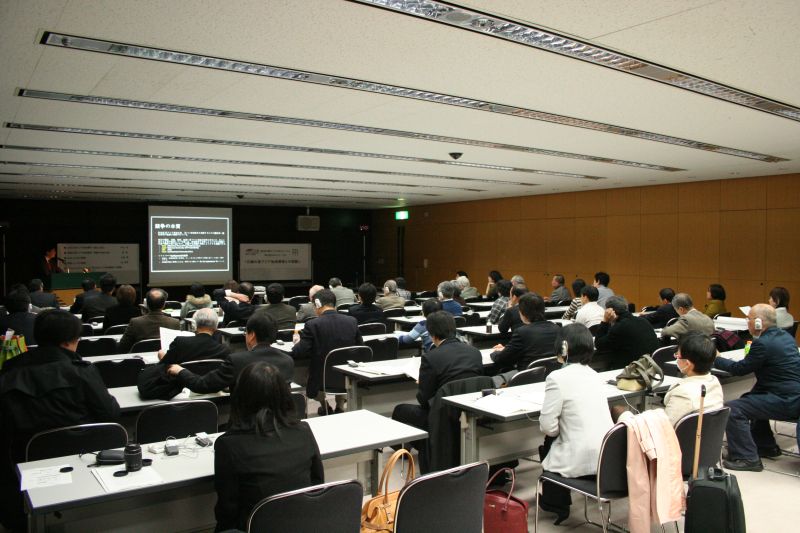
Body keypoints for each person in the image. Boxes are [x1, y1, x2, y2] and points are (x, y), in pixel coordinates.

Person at [0, 310, 119, 531]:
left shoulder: (8, 370)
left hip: (24, 465)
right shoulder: (81, 371)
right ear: (68, 342)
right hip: (82, 460)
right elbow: (110, 414)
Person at [213, 362, 323, 532]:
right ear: (284, 393)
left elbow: (227, 510)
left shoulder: (228, 445)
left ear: (240, 396)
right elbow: (318, 483)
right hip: (304, 524)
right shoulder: (303, 430)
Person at [538, 323, 613, 524]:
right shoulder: (595, 375)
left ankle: (556, 503)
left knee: (549, 442)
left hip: (579, 459)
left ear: (563, 348)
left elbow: (547, 427)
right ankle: (556, 501)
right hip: (606, 458)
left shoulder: (556, 378)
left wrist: (561, 430)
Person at [714, 304, 800, 471]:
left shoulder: (763, 343)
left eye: (749, 319)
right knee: (751, 398)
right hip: (793, 396)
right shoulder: (786, 336)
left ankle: (747, 458)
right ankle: (765, 445)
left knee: (732, 409)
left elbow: (739, 369)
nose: (747, 322)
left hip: (785, 400)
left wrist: (716, 358)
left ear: (759, 322)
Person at [391, 311, 483, 468]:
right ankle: (426, 445)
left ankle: (411, 451)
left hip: (441, 416)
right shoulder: (475, 352)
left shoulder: (431, 357)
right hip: (470, 411)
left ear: (432, 334)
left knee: (400, 410)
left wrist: (423, 382)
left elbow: (423, 399)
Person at [615, 332, 723, 426]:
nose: (676, 358)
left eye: (677, 356)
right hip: (702, 440)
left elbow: (664, 428)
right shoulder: (714, 382)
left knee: (618, 410)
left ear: (687, 364)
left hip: (674, 441)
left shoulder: (684, 393)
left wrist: (627, 417)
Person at [169, 313, 294, 392]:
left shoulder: (236, 361)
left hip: (245, 423)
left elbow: (202, 385)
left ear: (252, 335)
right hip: (278, 423)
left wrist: (181, 371)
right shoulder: (287, 360)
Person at [291, 289, 362, 415]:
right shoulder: (352, 321)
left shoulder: (312, 325)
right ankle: (340, 406)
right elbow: (360, 348)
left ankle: (325, 406)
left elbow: (299, 352)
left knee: (306, 372)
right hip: (347, 376)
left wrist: (297, 342)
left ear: (317, 304)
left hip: (321, 379)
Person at [490, 293, 560, 371]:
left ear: (522, 312)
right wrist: (507, 349)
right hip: (552, 373)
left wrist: (495, 353)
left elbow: (502, 359)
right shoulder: (557, 328)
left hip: (527, 375)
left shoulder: (521, 332)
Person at [594, 296, 659, 369]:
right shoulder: (643, 321)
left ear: (610, 311)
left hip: (631, 369)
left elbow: (599, 345)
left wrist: (605, 321)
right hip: (651, 366)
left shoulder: (620, 327)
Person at [158, 308, 230, 365]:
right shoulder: (223, 349)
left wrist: (162, 356)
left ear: (194, 325)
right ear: (216, 326)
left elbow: (165, 365)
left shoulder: (180, 342)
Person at [117, 288, 180, 353]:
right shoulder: (175, 323)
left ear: (146, 304)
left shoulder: (135, 322)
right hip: (166, 358)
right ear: (164, 305)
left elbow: (122, 347)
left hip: (140, 358)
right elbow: (178, 348)